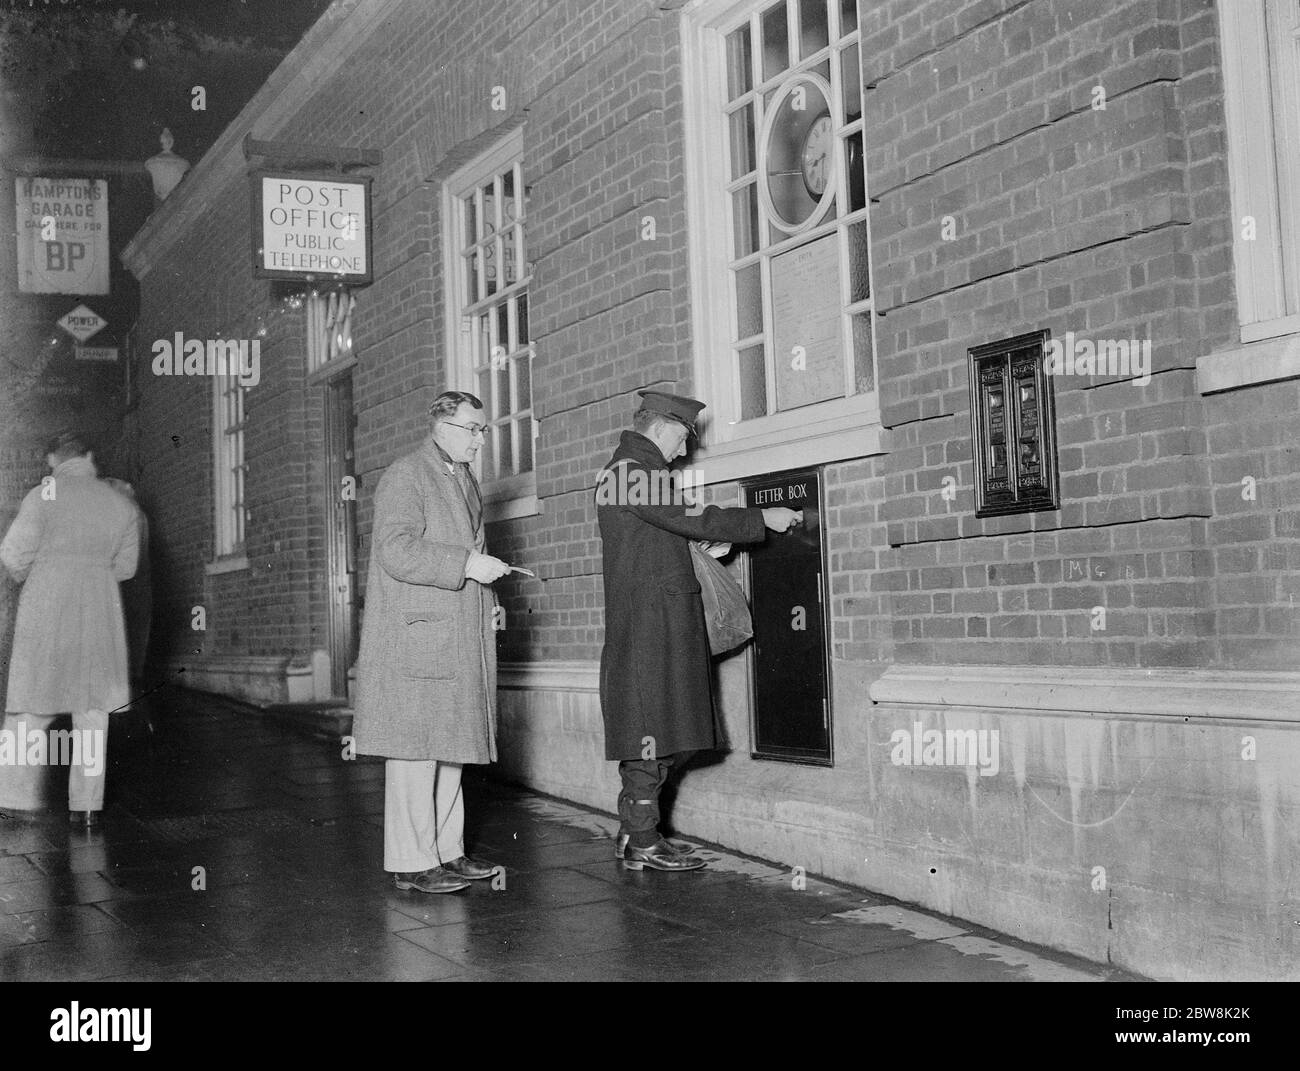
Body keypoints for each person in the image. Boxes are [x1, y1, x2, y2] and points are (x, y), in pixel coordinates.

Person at [596, 390, 802, 871]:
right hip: (654, 621)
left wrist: (703, 546)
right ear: (660, 428)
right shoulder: (631, 471)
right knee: (653, 728)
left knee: (666, 725)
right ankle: (643, 839)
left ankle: (636, 832)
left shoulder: (633, 472)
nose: (685, 449)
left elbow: (664, 533)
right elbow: (691, 516)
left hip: (658, 615)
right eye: (682, 437)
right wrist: (760, 518)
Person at [353, 391, 511, 894]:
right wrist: (466, 564)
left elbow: (469, 550)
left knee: (450, 744)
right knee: (416, 750)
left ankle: (446, 851)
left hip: (455, 632)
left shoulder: (462, 477)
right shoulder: (407, 474)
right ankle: (411, 861)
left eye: (482, 430)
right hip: (420, 637)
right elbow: (395, 550)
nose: (480, 439)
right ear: (442, 427)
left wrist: (486, 596)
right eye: (472, 429)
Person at [0, 432, 139, 827]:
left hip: (46, 605)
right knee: (93, 710)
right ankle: (87, 805)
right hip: (99, 608)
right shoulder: (119, 502)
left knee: (30, 705)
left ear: (52, 460)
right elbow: (127, 568)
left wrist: (43, 571)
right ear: (90, 456)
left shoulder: (43, 494)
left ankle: (14, 798)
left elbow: (13, 554)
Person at [100, 478, 151, 689]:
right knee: (136, 639)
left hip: (125, 586)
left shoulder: (125, 517)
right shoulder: (139, 515)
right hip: (139, 586)